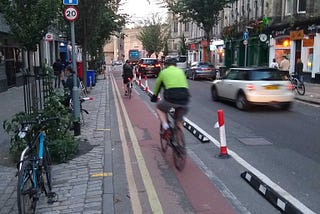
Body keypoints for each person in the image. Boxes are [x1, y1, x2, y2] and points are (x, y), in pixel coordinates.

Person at [150, 58, 190, 141]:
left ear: (166, 65)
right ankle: (180, 145)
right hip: (184, 98)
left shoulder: (163, 72)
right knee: (179, 121)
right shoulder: (180, 71)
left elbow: (157, 85)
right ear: (175, 65)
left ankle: (165, 127)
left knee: (159, 107)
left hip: (171, 98)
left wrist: (154, 96)